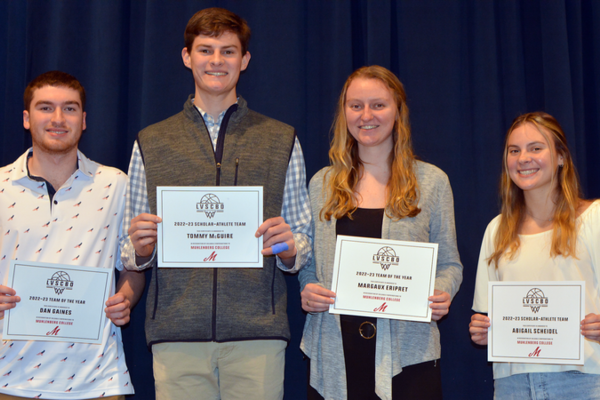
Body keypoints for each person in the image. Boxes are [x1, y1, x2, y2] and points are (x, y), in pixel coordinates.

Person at [120, 7, 311, 400]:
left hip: (258, 334)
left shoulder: (281, 139)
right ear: (187, 56)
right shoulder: (151, 141)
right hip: (176, 335)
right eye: (205, 50)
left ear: (245, 60)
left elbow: (302, 239)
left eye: (228, 51)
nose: (216, 61)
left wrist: (288, 248)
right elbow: (130, 249)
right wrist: (140, 248)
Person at [299, 65, 463, 400]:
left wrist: (441, 292)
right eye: (356, 105)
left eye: (378, 105)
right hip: (336, 353)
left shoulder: (432, 182)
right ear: (344, 112)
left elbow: (450, 264)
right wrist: (308, 287)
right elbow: (309, 265)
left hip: (409, 355)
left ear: (398, 111)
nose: (366, 115)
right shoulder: (322, 184)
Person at [0, 71, 144, 399]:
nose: (58, 119)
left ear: (84, 120)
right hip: (10, 379)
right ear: (26, 118)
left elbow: (132, 267)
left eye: (69, 108)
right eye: (45, 108)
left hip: (97, 381)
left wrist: (125, 298)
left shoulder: (115, 185)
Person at [470, 112, 600, 398]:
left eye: (536, 148)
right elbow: (487, 314)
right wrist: (483, 329)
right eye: (514, 150)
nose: (523, 158)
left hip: (583, 380)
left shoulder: (594, 219)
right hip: (513, 384)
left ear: (561, 157)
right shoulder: (497, 230)